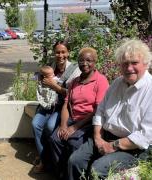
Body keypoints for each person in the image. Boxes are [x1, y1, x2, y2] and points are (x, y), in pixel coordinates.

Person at [68, 39, 152, 180]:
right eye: (125, 63)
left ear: (146, 64)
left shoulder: (149, 90)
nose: (129, 68)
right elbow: (100, 112)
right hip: (104, 136)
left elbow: (145, 135)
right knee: (75, 161)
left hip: (132, 147)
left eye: (134, 63)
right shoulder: (117, 83)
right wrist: (97, 137)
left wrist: (113, 146)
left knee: (98, 169)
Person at [49, 47, 109, 179]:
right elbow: (66, 104)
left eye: (89, 60)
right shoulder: (74, 81)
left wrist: (74, 128)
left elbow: (98, 110)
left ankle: (77, 175)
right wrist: (64, 125)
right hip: (72, 119)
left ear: (95, 62)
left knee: (74, 143)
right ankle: (61, 173)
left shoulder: (101, 81)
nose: (85, 63)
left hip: (89, 122)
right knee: (55, 139)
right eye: (81, 60)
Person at [31, 40, 81, 173]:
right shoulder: (50, 67)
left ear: (68, 53)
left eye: (63, 52)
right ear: (54, 53)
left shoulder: (74, 70)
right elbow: (38, 80)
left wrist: (55, 86)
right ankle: (44, 159)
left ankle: (47, 159)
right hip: (47, 104)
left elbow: (72, 94)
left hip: (62, 106)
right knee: (36, 124)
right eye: (57, 52)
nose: (60, 55)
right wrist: (40, 80)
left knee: (50, 126)